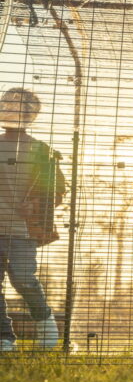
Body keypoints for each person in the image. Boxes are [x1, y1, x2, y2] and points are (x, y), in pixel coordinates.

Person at [0, 88, 65, 353]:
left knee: (24, 278)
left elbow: (58, 191)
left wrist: (37, 204)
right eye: (6, 104)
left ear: (30, 115)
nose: (10, 109)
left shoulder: (42, 151)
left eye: (17, 106)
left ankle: (46, 324)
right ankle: (5, 339)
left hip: (23, 231)